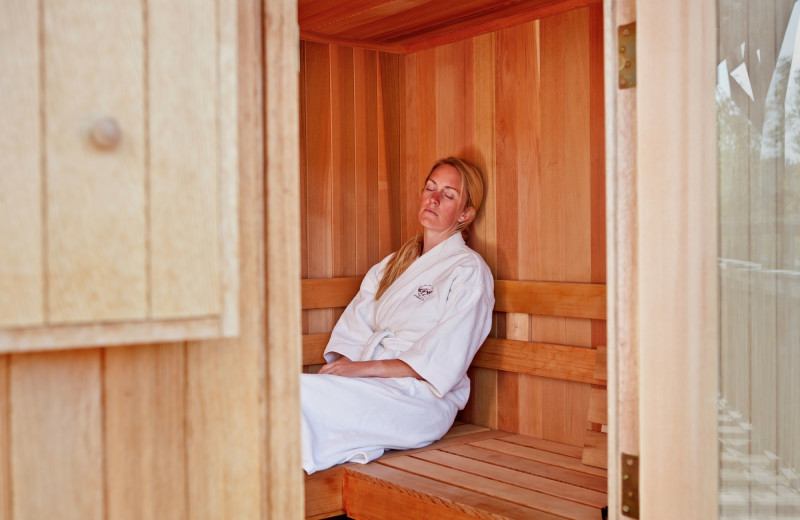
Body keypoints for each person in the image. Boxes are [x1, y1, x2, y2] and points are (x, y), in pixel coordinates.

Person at [301, 157, 495, 474]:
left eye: (447, 194)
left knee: (296, 396)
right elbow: (354, 330)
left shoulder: (469, 271)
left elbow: (442, 360)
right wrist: (345, 371)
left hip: (421, 400)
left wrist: (361, 371)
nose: (432, 198)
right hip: (372, 384)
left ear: (465, 213)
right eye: (430, 188)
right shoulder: (392, 264)